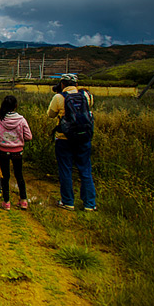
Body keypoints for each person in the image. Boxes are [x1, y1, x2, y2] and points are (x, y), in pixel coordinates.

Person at [47, 73, 97, 211]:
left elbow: (50, 114)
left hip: (64, 138)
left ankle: (68, 201)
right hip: (84, 138)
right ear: (76, 84)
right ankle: (89, 204)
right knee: (85, 170)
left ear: (62, 84)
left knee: (65, 169)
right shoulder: (86, 96)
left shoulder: (58, 97)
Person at [0, 95, 33, 211]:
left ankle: (6, 202)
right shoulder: (21, 120)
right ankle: (23, 200)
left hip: (3, 151)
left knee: (5, 176)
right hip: (18, 152)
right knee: (19, 176)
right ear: (15, 106)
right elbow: (29, 136)